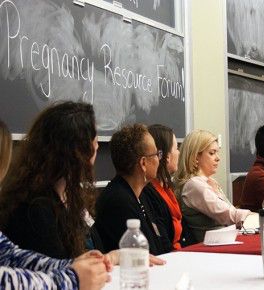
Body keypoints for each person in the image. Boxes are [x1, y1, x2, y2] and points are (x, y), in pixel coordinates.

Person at [0, 117, 112, 289]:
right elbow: (7, 280)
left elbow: (11, 256)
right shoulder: (35, 208)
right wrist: (73, 278)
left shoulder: (67, 197)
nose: (96, 149)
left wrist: (71, 265)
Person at [0, 102, 100, 259]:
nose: (97, 146)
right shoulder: (35, 209)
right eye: (93, 140)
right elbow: (56, 272)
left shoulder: (65, 195)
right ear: (77, 151)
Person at [95, 124, 169, 256]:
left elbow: (161, 242)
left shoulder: (142, 194)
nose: (159, 159)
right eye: (157, 154)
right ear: (143, 163)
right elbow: (142, 254)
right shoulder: (117, 202)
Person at [174, 130, 250, 243]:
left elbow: (230, 212)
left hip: (222, 243)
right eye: (212, 153)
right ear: (195, 157)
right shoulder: (194, 185)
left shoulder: (209, 182)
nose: (217, 158)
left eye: (217, 153)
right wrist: (258, 217)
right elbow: (229, 215)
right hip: (210, 250)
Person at [141, 124, 183, 250]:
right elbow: (162, 242)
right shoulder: (148, 192)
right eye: (176, 148)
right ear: (167, 157)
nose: (179, 153)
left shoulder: (166, 186)